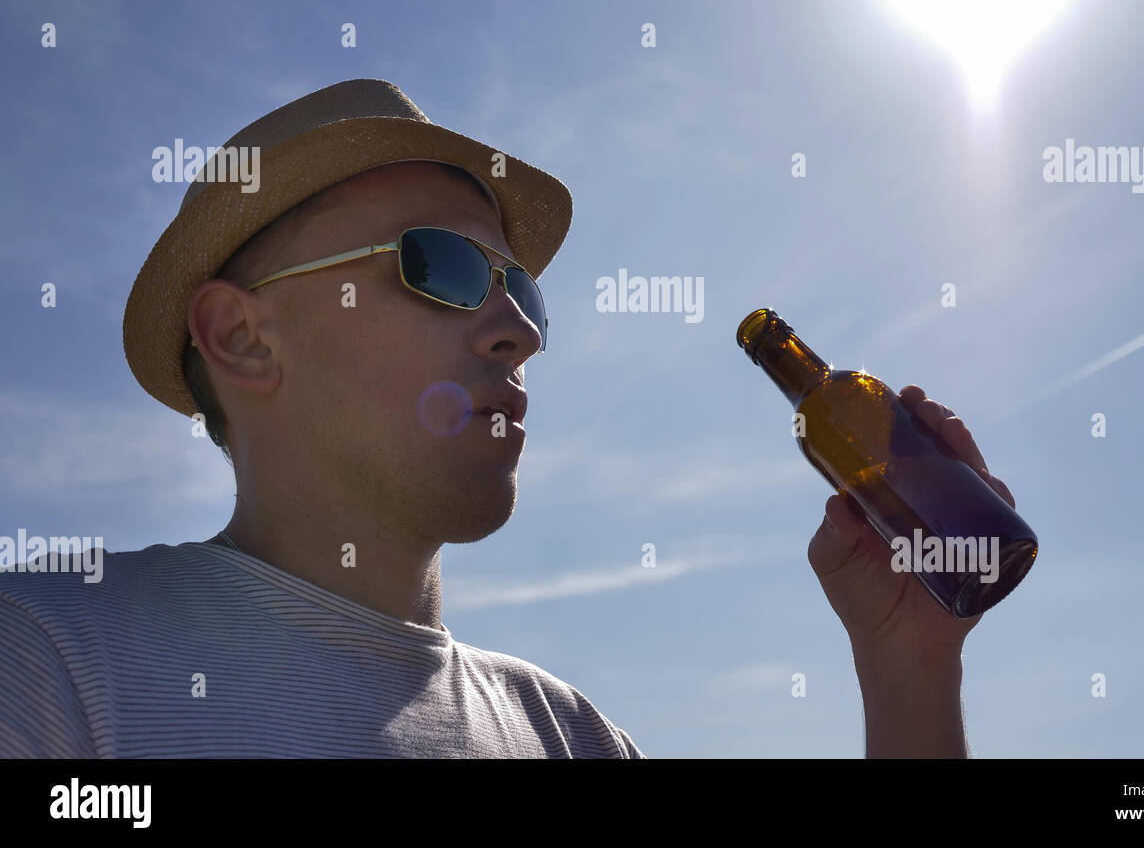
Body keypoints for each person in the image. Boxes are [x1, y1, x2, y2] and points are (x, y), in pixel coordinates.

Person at [0, 78, 1015, 758]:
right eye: (437, 265)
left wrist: (910, 667)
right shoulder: (47, 659)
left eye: (523, 291)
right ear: (242, 338)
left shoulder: (572, 734)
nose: (516, 333)